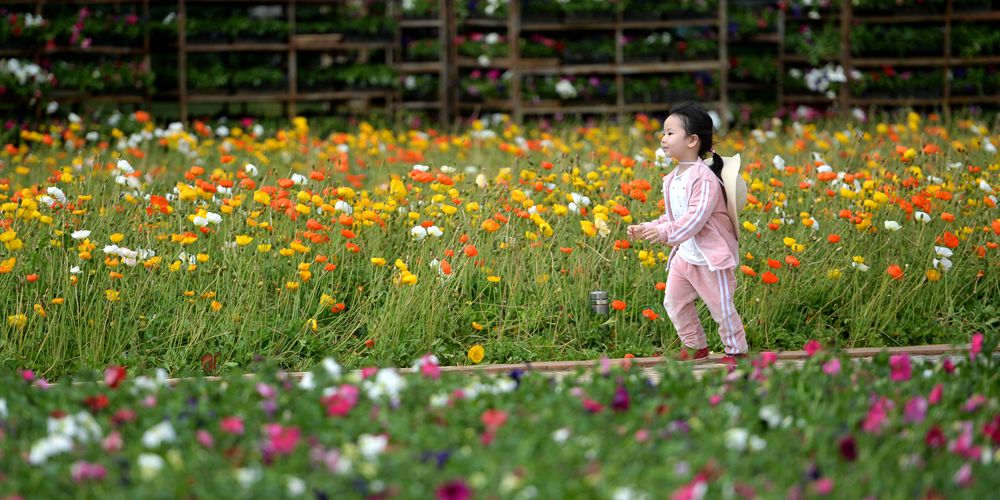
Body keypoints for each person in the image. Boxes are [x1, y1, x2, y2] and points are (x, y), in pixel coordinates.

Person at [627, 102, 748, 363]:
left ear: (692, 140)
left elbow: (694, 218)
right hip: (685, 255)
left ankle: (736, 350)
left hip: (710, 258)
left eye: (671, 133)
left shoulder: (703, 178)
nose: (663, 138)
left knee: (722, 307)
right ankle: (695, 346)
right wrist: (649, 227)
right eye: (664, 132)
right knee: (674, 302)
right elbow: (674, 217)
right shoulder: (671, 178)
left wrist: (663, 232)